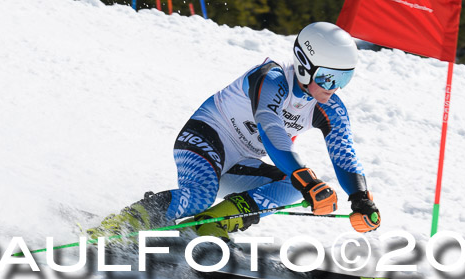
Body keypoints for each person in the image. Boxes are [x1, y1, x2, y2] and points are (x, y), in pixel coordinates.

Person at [87, 22, 380, 243]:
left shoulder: (331, 107)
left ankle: (210, 225)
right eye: (329, 76)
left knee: (292, 188)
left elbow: (344, 154)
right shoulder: (272, 78)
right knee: (200, 195)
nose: (335, 87)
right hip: (205, 139)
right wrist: (308, 178)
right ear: (305, 65)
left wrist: (361, 199)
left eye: (345, 77)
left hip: (241, 160)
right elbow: (271, 131)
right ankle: (124, 222)